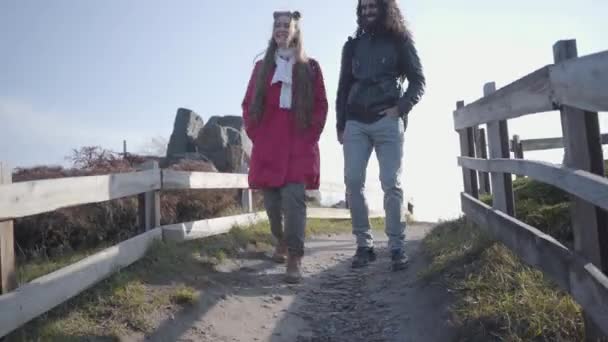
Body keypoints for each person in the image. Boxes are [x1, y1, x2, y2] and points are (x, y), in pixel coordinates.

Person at [336, 0, 425, 271]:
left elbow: (418, 80)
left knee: (391, 183)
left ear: (385, 9)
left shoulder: (400, 41)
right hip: (355, 122)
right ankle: (364, 246)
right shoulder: (352, 45)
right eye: (363, 8)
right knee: (352, 181)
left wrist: (400, 108)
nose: (367, 12)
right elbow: (343, 87)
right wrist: (341, 124)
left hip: (388, 120)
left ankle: (396, 247)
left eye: (373, 7)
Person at [242, 10, 328, 283]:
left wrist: (309, 137)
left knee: (294, 203)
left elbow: (321, 105)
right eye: (277, 25)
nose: (281, 29)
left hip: (298, 147)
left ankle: (295, 257)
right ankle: (279, 241)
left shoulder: (311, 67)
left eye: (285, 26)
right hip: (268, 146)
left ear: (295, 31)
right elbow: (248, 105)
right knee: (271, 205)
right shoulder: (261, 68)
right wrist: (257, 134)